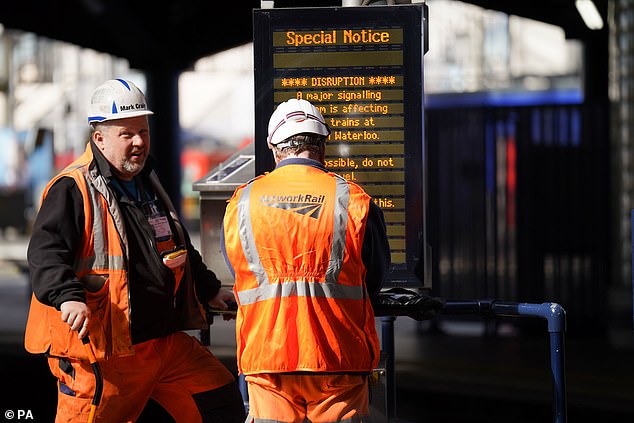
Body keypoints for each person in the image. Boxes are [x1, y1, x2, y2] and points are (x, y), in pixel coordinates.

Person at [24, 78, 246, 423]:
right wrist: (67, 295)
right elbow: (45, 253)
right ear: (99, 138)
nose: (139, 142)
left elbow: (177, 244)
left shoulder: (147, 180)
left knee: (219, 403)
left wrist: (209, 289)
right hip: (106, 353)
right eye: (126, 134)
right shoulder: (72, 187)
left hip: (163, 344)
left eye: (143, 131)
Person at [222, 98, 391, 422]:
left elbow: (242, 273)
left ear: (274, 148)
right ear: (322, 146)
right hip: (339, 361)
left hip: (268, 362)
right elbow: (374, 279)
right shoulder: (353, 201)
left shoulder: (242, 203)